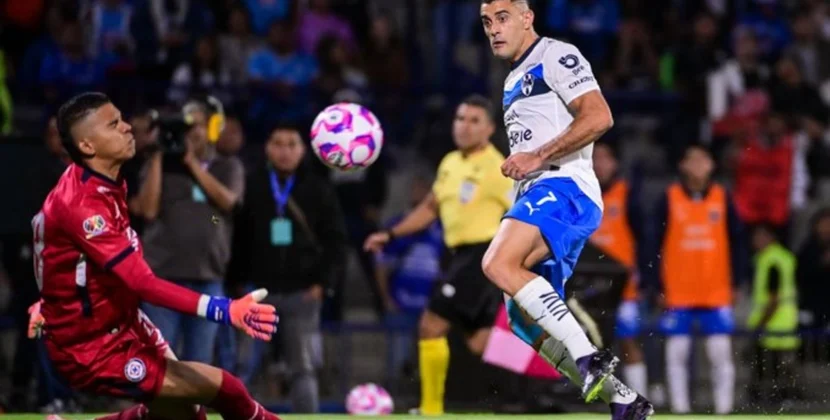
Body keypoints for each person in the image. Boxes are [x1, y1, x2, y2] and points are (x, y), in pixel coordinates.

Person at [31, 92, 280, 420]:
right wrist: (224, 309)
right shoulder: (84, 206)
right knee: (229, 389)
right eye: (114, 124)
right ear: (88, 146)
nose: (128, 128)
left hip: (122, 321)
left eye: (122, 119)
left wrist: (51, 297)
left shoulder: (101, 181)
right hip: (91, 346)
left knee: (187, 415)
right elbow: (143, 283)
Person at [477, 1, 652, 418]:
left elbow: (599, 116)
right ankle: (624, 402)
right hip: (538, 194)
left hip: (565, 186)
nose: (494, 29)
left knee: (498, 263)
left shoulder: (554, 54)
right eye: (486, 22)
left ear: (527, 17)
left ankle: (589, 356)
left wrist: (537, 156)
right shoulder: (513, 78)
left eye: (502, 18)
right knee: (522, 320)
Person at [364, 95, 513, 416]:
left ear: (489, 129)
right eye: (460, 119)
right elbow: (430, 208)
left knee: (430, 325)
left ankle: (431, 410)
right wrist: (390, 234)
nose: (465, 126)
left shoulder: (499, 168)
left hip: (481, 257)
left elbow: (523, 215)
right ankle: (557, 367)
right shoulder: (449, 163)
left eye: (474, 121)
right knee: (478, 343)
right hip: (457, 256)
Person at [229, 125, 347, 412]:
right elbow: (236, 236)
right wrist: (236, 282)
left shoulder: (319, 187)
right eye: (278, 143)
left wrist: (323, 285)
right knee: (243, 365)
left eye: (292, 144)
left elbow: (336, 241)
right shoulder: (251, 184)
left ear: (303, 150)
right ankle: (236, 415)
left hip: (303, 292)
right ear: (267, 148)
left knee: (303, 368)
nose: (285, 151)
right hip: (256, 291)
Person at [134, 99, 245, 365]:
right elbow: (148, 210)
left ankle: (195, 409)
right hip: (162, 277)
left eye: (198, 124)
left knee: (200, 362)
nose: (193, 131)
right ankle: (159, 409)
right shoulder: (159, 165)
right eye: (188, 125)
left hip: (208, 277)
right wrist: (160, 155)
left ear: (211, 128)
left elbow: (228, 202)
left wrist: (191, 162)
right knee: (161, 362)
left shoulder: (227, 166)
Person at [651, 144, 744, 414]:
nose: (698, 166)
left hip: (715, 291)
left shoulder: (723, 198)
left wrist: (736, 282)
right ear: (682, 165)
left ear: (712, 165)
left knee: (720, 353)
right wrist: (657, 285)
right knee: (676, 353)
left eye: (704, 160)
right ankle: (680, 411)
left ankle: (723, 410)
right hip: (677, 291)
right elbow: (653, 245)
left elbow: (738, 243)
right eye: (692, 160)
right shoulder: (668, 198)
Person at [589, 141, 648, 397]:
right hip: (588, 285)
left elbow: (644, 239)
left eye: (605, 158)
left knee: (628, 342)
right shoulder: (581, 194)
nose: (599, 164)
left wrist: (644, 276)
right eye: (595, 158)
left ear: (615, 164)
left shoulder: (628, 195)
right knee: (589, 345)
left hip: (624, 288)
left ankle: (639, 396)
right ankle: (597, 400)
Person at [747, 224, 800, 403]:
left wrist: (761, 323)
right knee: (780, 368)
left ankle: (775, 400)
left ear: (769, 238)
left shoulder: (771, 260)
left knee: (772, 368)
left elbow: (773, 298)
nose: (755, 242)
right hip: (785, 321)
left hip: (774, 323)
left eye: (758, 237)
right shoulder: (783, 257)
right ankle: (783, 399)